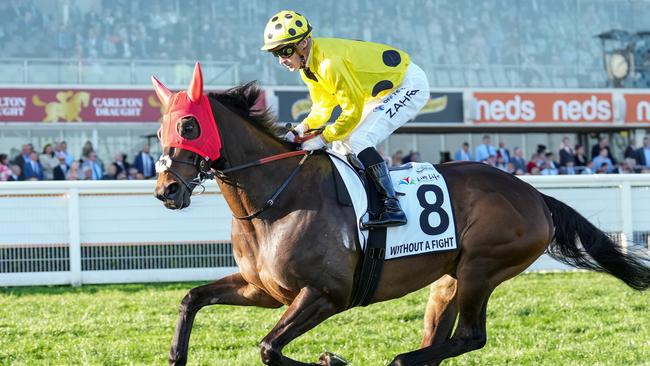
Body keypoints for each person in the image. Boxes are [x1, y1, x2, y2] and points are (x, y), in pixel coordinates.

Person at [263, 10, 429, 228]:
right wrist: (300, 130)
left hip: (407, 84)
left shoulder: (329, 64)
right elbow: (323, 107)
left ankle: (392, 207)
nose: (282, 60)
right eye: (276, 54)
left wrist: (322, 138)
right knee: (341, 146)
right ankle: (360, 205)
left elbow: (351, 111)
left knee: (360, 140)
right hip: (379, 93)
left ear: (304, 43)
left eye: (284, 51)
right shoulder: (308, 67)